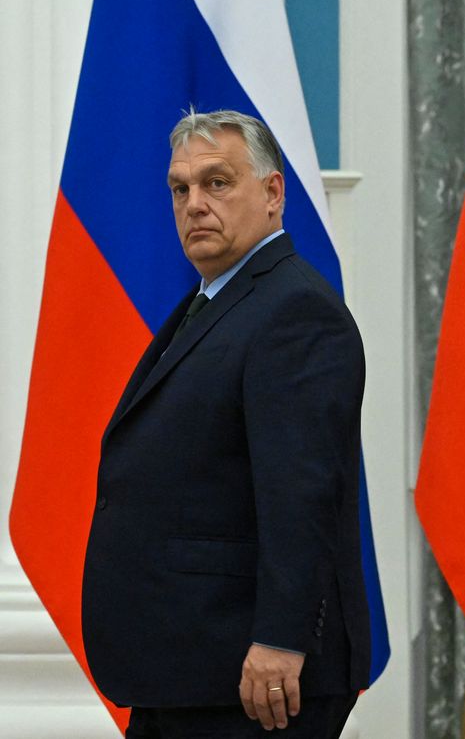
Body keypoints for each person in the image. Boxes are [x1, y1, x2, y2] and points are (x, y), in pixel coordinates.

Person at [82, 110, 370, 738]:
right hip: (194, 666)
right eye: (180, 189)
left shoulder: (293, 310)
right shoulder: (219, 300)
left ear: (272, 194)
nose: (194, 205)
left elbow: (303, 492)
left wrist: (281, 638)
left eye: (217, 183)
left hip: (255, 676)